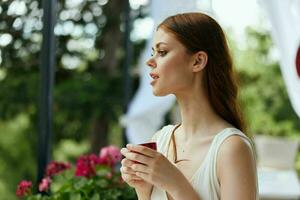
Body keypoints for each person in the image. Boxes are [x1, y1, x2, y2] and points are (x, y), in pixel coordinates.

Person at [120, 12, 258, 200]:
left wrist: (176, 185)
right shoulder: (161, 140)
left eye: (162, 52)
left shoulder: (231, 148)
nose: (149, 61)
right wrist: (143, 189)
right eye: (153, 52)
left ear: (197, 61)